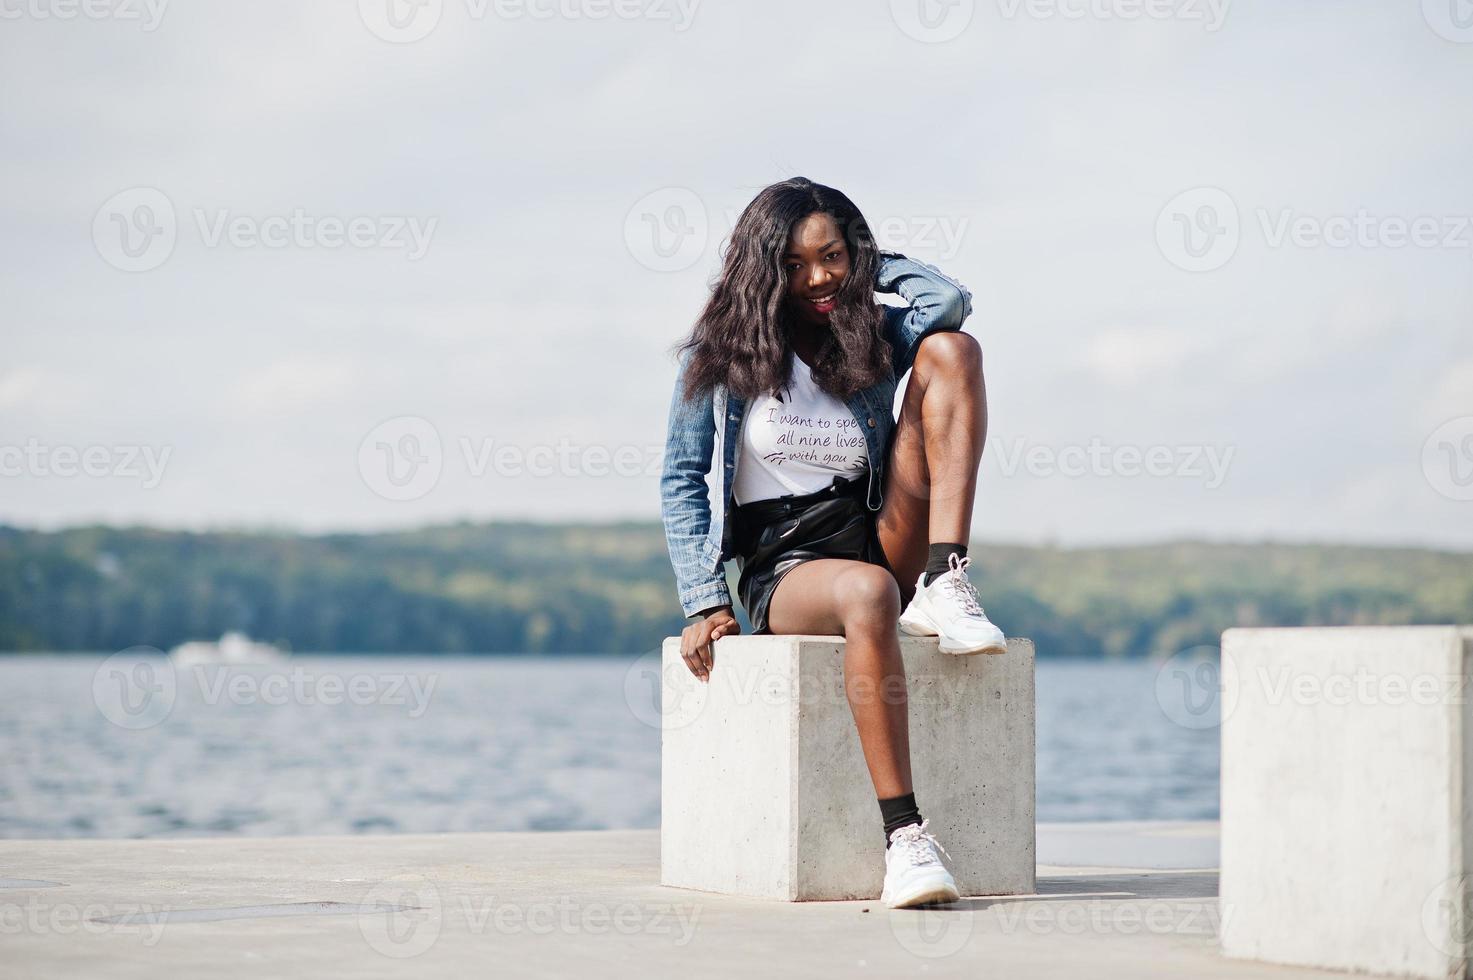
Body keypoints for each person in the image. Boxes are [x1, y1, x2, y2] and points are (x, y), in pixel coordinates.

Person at [658, 176, 1008, 909]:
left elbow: (944, 304)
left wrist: (871, 262)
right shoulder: (718, 361)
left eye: (832, 257)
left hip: (878, 525)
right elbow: (683, 479)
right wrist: (703, 599)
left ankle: (945, 579)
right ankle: (905, 840)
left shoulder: (869, 336)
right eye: (791, 263)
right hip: (784, 562)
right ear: (761, 269)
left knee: (954, 350)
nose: (817, 278)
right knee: (869, 590)